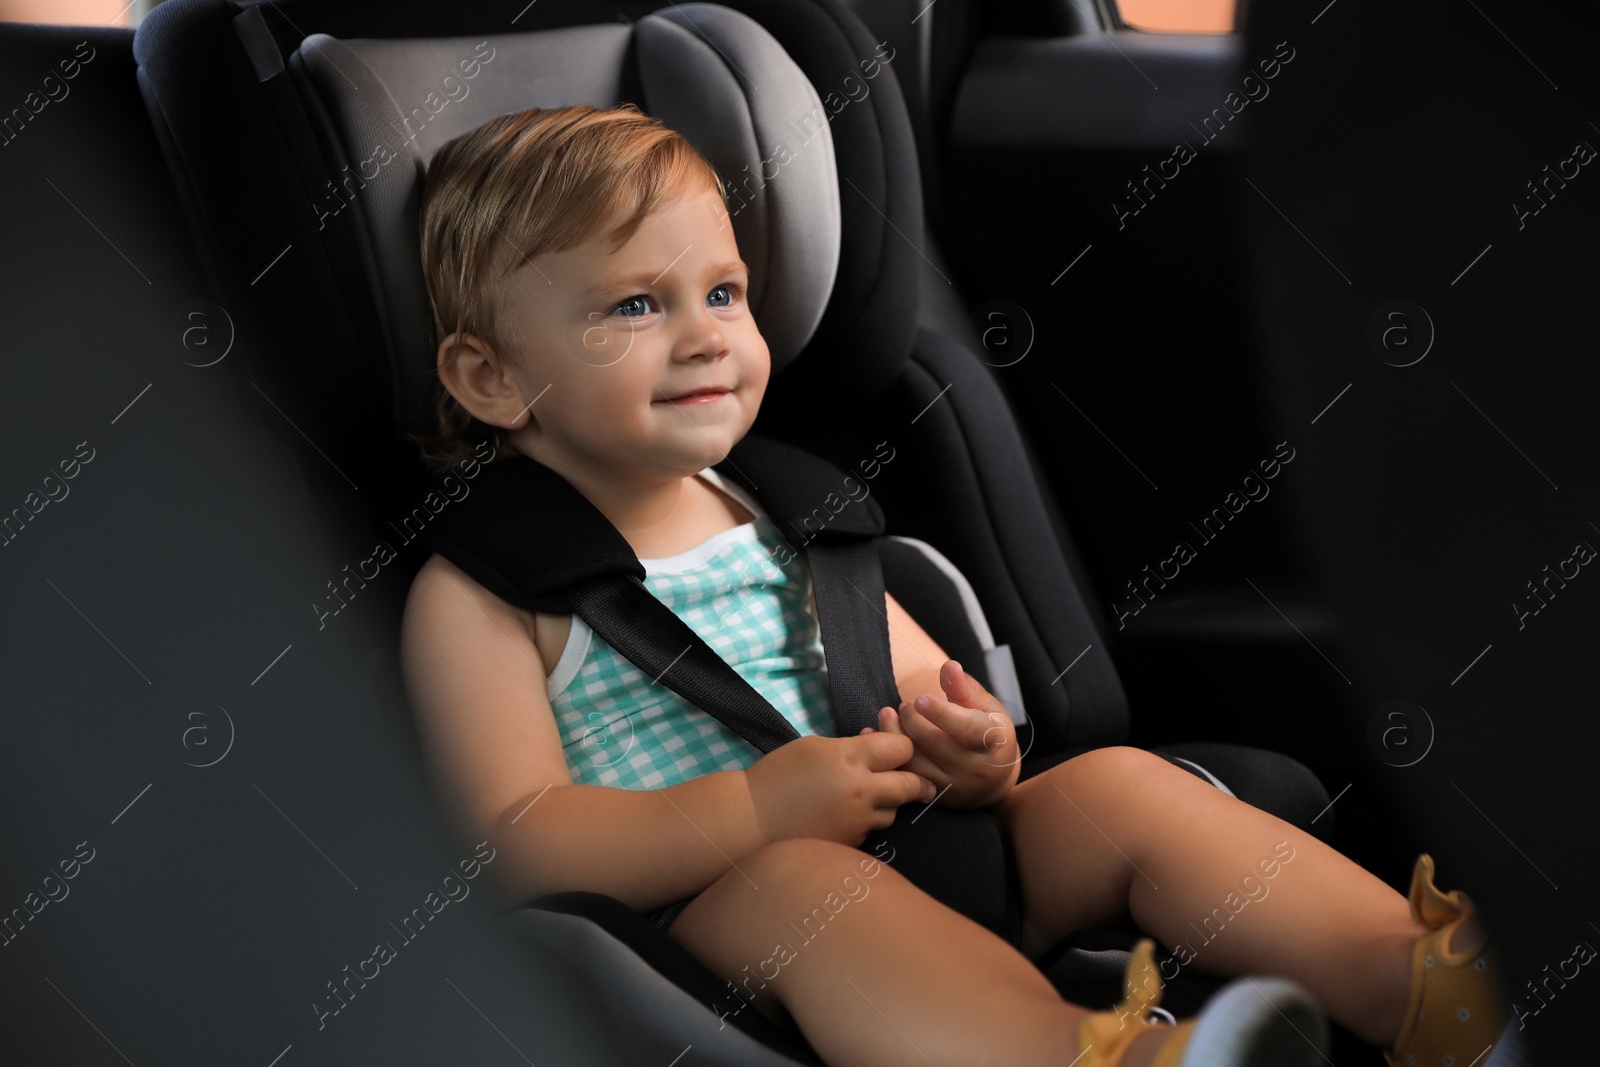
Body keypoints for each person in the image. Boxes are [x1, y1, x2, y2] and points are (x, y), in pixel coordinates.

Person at [397, 103, 1513, 1067]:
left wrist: (972, 747)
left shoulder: (789, 510)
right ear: (490, 376)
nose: (704, 338)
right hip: (719, 937)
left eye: (724, 292)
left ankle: (1427, 984)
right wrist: (754, 809)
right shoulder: (489, 591)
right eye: (633, 306)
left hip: (933, 856)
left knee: (1115, 787)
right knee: (805, 884)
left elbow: (920, 687)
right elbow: (514, 841)